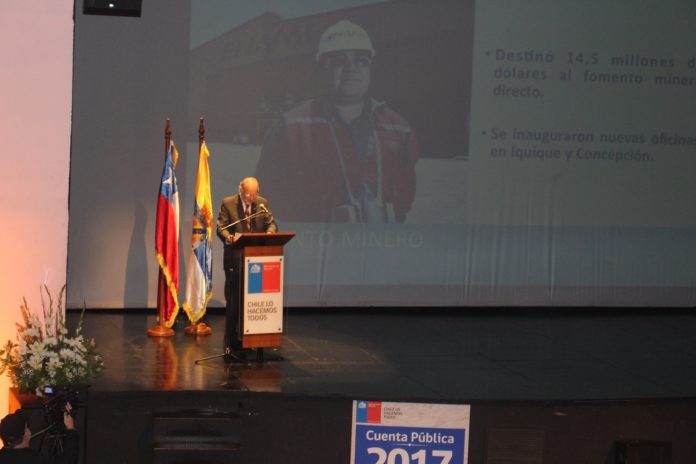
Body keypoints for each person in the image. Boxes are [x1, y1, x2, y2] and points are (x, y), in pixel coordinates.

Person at [256, 19, 419, 223]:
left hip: (378, 247)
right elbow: (265, 202)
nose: (351, 68)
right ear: (322, 68)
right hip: (316, 249)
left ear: (370, 68)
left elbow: (405, 196)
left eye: (361, 60)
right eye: (339, 60)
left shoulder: (398, 128)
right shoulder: (290, 128)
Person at [216, 177, 277, 356]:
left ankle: (252, 338)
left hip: (257, 259)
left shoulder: (262, 203)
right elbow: (221, 226)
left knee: (253, 301)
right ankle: (231, 339)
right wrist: (229, 237)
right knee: (234, 300)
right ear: (241, 191)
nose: (250, 197)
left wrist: (270, 233)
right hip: (235, 259)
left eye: (254, 193)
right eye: (247, 194)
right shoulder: (228, 203)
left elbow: (271, 223)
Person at [0, 405, 78, 464]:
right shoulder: (33, 459)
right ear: (26, 434)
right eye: (27, 427)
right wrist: (71, 429)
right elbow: (68, 460)